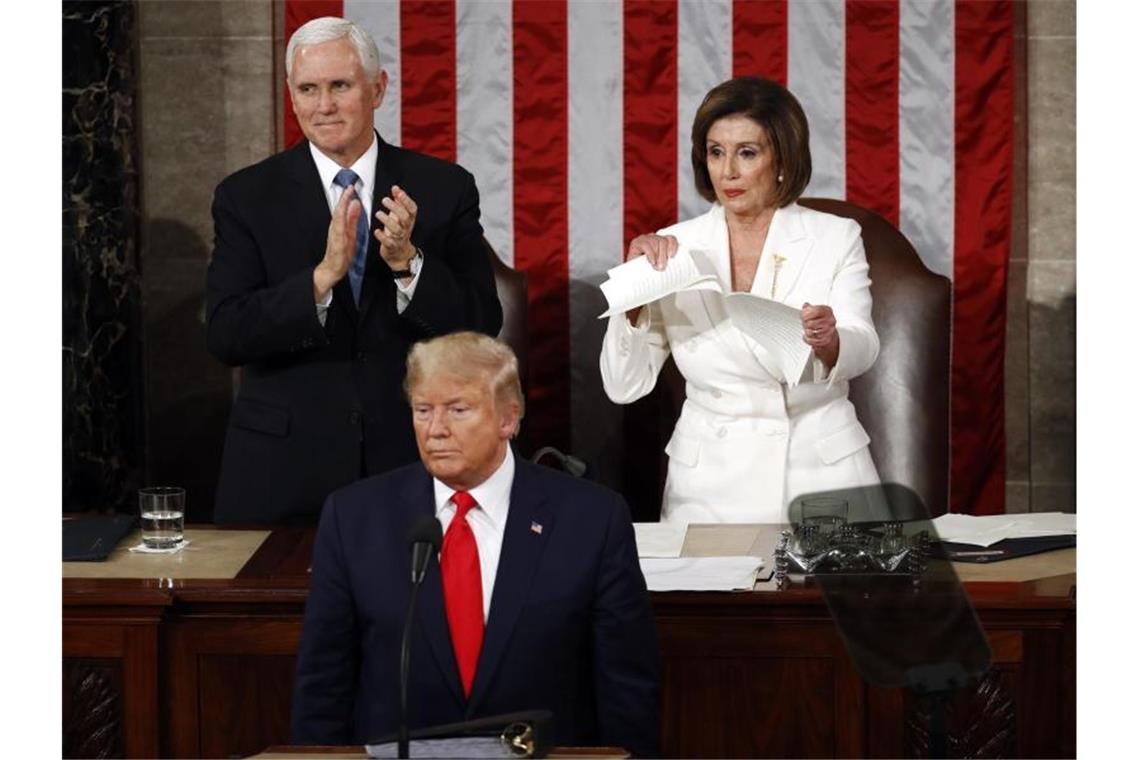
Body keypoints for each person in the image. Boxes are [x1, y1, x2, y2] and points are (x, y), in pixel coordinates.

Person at [292, 332, 661, 756]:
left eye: (457, 410)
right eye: (423, 410)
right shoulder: (355, 517)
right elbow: (323, 683)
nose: (435, 430)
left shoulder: (592, 520)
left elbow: (627, 687)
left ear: (508, 418)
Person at [206, 17, 502, 524]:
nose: (324, 106)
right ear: (292, 96)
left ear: (378, 88)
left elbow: (481, 324)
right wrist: (320, 279)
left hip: (410, 461)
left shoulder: (444, 188)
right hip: (284, 471)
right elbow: (227, 333)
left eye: (340, 86)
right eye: (308, 89)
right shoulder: (245, 197)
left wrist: (409, 265)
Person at [600, 76, 880, 525]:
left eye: (747, 152)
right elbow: (623, 384)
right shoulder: (672, 247)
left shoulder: (835, 236)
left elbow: (863, 343)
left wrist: (830, 341)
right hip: (709, 481)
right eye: (716, 152)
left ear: (782, 159)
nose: (727, 171)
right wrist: (635, 300)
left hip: (822, 474)